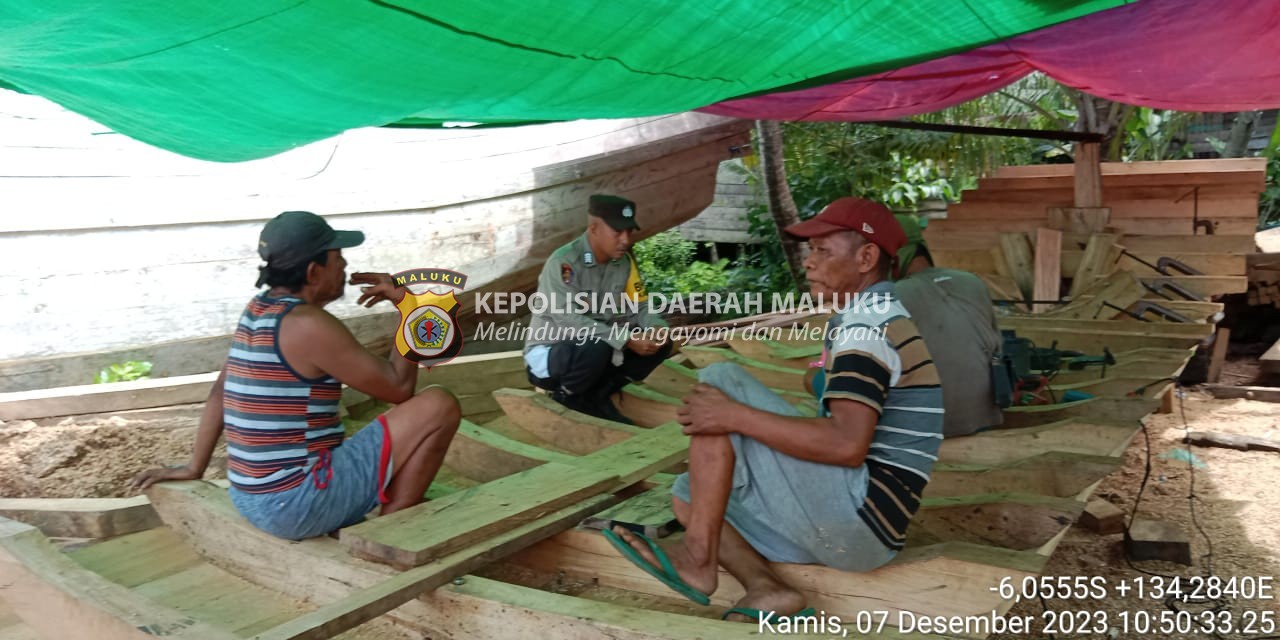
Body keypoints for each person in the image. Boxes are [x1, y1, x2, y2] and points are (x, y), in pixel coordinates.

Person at [603, 197, 944, 621]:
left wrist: (734, 416)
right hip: (865, 534)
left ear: (867, 257)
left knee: (721, 380)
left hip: (858, 518)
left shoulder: (866, 327)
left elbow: (846, 445)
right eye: (810, 251)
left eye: (822, 250)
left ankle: (696, 560)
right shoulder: (875, 317)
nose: (809, 263)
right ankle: (766, 588)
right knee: (690, 494)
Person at [133, 211, 462, 540]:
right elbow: (399, 388)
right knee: (439, 404)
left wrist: (195, 467)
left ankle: (372, 508)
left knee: (380, 426)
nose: (345, 266)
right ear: (313, 271)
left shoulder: (257, 310)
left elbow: (221, 391)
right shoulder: (307, 324)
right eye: (338, 259)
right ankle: (392, 533)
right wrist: (412, 308)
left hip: (251, 497)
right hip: (297, 503)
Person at [524, 194, 670, 424]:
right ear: (594, 229)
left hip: (598, 351)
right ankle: (567, 398)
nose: (625, 240)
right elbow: (567, 319)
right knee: (596, 342)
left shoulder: (622, 263)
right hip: (552, 355)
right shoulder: (564, 263)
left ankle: (598, 395)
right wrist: (626, 339)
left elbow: (639, 307)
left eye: (629, 232)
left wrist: (656, 327)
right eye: (617, 232)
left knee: (661, 343)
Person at [892, 214, 1003, 437]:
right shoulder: (972, 282)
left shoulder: (891, 298)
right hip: (988, 421)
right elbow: (996, 350)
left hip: (933, 434)